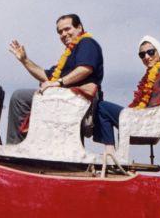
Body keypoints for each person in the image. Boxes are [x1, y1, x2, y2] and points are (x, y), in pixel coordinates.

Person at [6, 13, 104, 143]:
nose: (63, 34)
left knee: (20, 97)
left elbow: (85, 69)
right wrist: (25, 60)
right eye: (60, 32)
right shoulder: (70, 52)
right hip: (66, 99)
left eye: (67, 29)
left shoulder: (87, 43)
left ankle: (14, 145)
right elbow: (46, 76)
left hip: (78, 102)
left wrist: (59, 82)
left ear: (79, 27)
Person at [94, 27, 160, 161]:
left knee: (102, 107)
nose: (146, 57)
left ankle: (110, 151)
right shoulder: (147, 76)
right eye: (142, 55)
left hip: (148, 120)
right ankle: (112, 151)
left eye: (150, 52)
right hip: (141, 117)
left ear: (158, 53)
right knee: (99, 107)